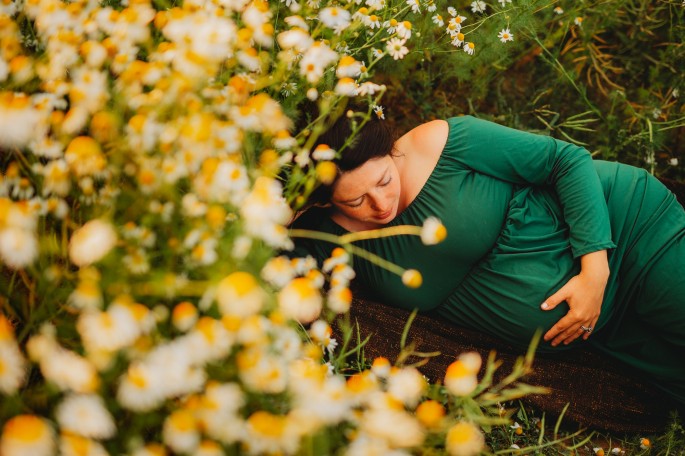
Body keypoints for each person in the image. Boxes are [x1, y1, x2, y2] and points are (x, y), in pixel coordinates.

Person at [289, 110, 685, 409]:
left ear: (391, 151)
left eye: (384, 181)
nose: (380, 204)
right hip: (596, 328)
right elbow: (275, 259)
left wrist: (594, 271)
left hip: (628, 238)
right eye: (356, 201)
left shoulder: (438, 143)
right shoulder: (329, 235)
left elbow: (565, 160)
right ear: (324, 201)